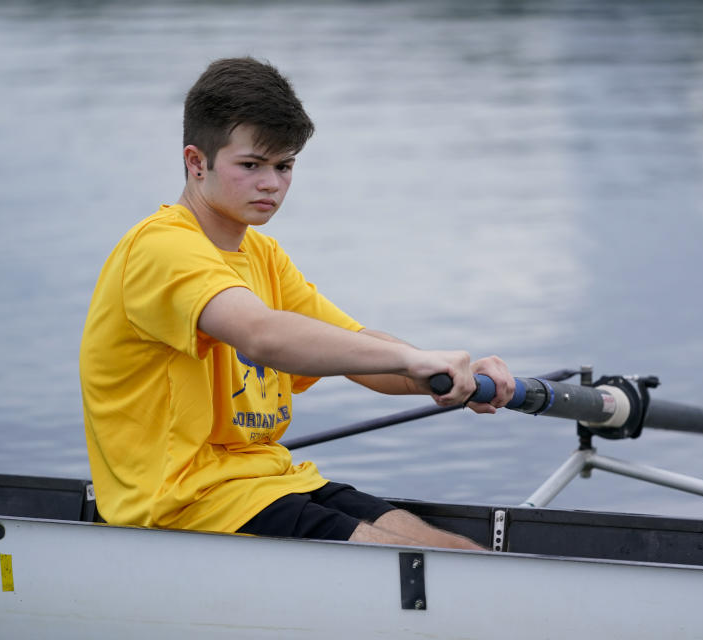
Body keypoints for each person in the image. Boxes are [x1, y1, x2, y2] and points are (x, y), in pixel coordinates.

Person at [79, 57, 515, 549]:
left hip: (264, 481)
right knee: (415, 561)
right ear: (196, 162)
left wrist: (453, 374)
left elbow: (356, 350)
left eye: (284, 166)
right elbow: (262, 336)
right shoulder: (161, 248)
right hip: (178, 505)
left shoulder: (262, 255)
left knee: (454, 552)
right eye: (251, 166)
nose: (272, 184)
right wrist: (411, 359)